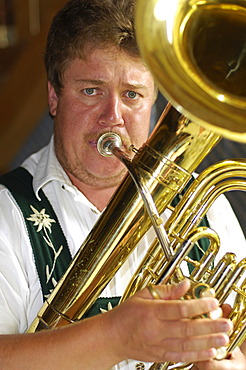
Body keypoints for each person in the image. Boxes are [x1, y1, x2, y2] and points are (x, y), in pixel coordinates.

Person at [0, 0, 245, 369]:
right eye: (91, 90)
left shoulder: (206, 206)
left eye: (132, 94)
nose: (111, 117)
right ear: (54, 97)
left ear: (153, 104)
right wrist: (114, 337)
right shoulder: (8, 211)